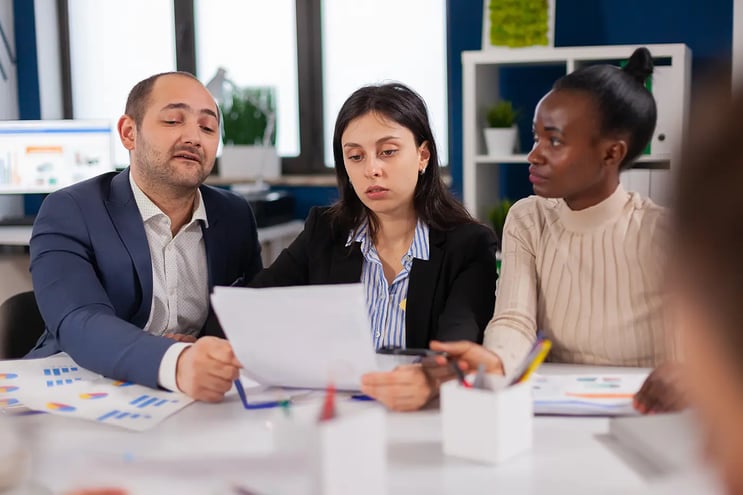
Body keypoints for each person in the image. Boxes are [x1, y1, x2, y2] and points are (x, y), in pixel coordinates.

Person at [428, 47, 683, 413]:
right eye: (536, 138)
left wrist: (686, 374)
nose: (534, 154)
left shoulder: (664, 233)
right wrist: (495, 361)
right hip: (554, 410)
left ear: (611, 154)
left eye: (555, 141)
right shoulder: (528, 219)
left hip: (646, 414)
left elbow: (692, 353)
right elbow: (515, 319)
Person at [249, 82, 498, 411]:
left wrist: (429, 379)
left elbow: (457, 339)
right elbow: (253, 303)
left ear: (423, 155)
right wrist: (195, 346)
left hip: (421, 417)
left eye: (388, 151)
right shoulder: (324, 231)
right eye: (355, 156)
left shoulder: (468, 243)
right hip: (337, 415)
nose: (371, 169)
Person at [27, 72, 263, 402]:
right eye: (172, 121)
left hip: (190, 398)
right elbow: (80, 320)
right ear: (128, 133)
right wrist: (173, 360)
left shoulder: (234, 215)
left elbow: (247, 311)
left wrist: (206, 350)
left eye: (208, 128)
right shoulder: (70, 209)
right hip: (79, 387)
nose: (194, 137)